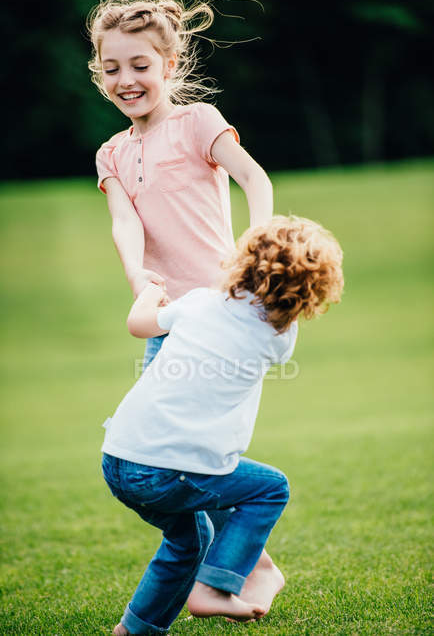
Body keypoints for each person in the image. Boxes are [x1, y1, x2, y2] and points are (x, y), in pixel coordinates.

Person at [87, 0, 279, 610]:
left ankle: (243, 570)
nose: (126, 79)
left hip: (220, 316)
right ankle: (248, 567)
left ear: (169, 66)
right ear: (99, 72)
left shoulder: (198, 122)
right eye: (111, 68)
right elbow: (126, 223)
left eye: (140, 65)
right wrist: (139, 278)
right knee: (174, 448)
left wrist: (258, 241)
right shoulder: (112, 152)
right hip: (167, 319)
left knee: (196, 447)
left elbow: (253, 176)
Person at [100, 215, 344, 635]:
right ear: (312, 293)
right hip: (167, 468)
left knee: (190, 541)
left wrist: (152, 292)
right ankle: (216, 586)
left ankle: (134, 630)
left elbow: (138, 326)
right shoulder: (279, 338)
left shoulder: (198, 301)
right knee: (271, 488)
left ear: (242, 260)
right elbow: (274, 316)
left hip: (119, 456)